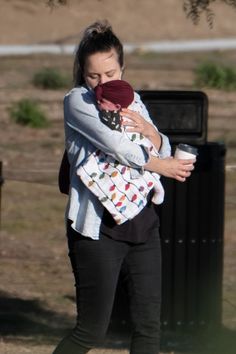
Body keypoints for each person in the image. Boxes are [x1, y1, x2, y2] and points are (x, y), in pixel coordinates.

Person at [53, 20, 195, 354]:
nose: (103, 83)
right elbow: (118, 147)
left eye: (111, 74)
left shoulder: (134, 100)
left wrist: (152, 132)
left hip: (143, 227)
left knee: (148, 330)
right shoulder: (78, 102)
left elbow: (160, 145)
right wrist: (163, 165)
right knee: (91, 331)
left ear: (123, 68)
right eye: (94, 76)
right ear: (82, 74)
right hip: (98, 231)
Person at [77, 79, 165, 225]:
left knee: (146, 174)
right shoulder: (92, 105)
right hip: (134, 155)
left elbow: (121, 143)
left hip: (140, 149)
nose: (98, 102)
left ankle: (157, 187)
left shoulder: (132, 109)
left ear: (117, 106)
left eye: (102, 100)